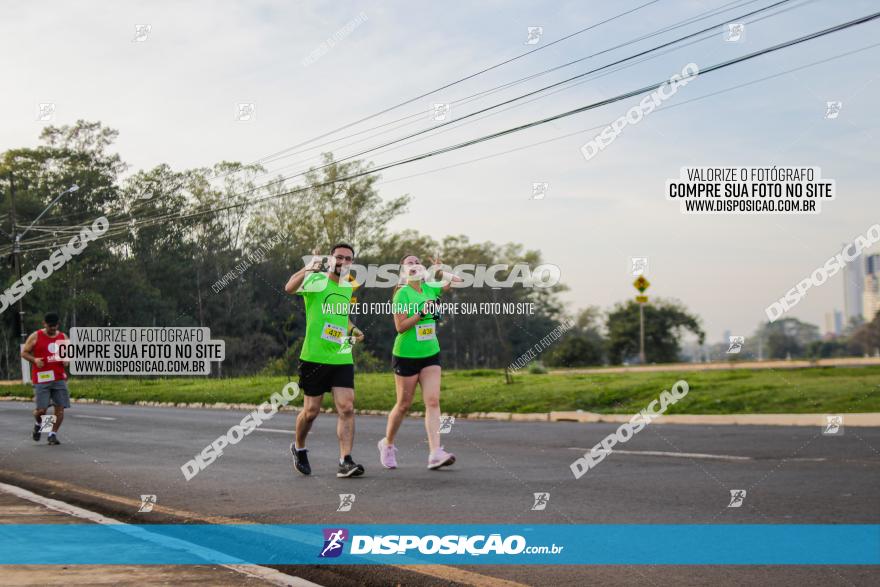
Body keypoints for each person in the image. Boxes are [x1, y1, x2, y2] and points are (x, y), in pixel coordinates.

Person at [284, 243, 366, 478]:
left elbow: (340, 315)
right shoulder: (315, 281)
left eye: (348, 258)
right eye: (339, 257)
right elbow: (289, 287)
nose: (343, 261)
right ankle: (299, 447)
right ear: (331, 259)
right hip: (314, 357)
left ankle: (345, 461)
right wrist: (309, 267)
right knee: (311, 411)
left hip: (341, 355)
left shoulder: (348, 286)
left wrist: (353, 329)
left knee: (347, 406)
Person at [378, 255, 462, 470]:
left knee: (433, 401)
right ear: (403, 271)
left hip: (430, 352)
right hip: (406, 354)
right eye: (409, 263)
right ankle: (387, 444)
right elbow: (400, 326)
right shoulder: (401, 294)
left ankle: (435, 453)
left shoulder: (430, 288)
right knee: (404, 405)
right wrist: (421, 313)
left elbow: (458, 281)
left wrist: (440, 269)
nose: (414, 264)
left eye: (417, 261)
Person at [21, 312, 70, 445]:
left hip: (59, 378)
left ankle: (52, 434)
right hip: (42, 378)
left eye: (55, 326)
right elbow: (24, 352)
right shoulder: (36, 336)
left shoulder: (62, 337)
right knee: (42, 410)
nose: (53, 329)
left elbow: (68, 355)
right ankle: (38, 424)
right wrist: (35, 360)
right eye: (50, 326)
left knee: (59, 407)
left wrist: (66, 360)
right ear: (44, 324)